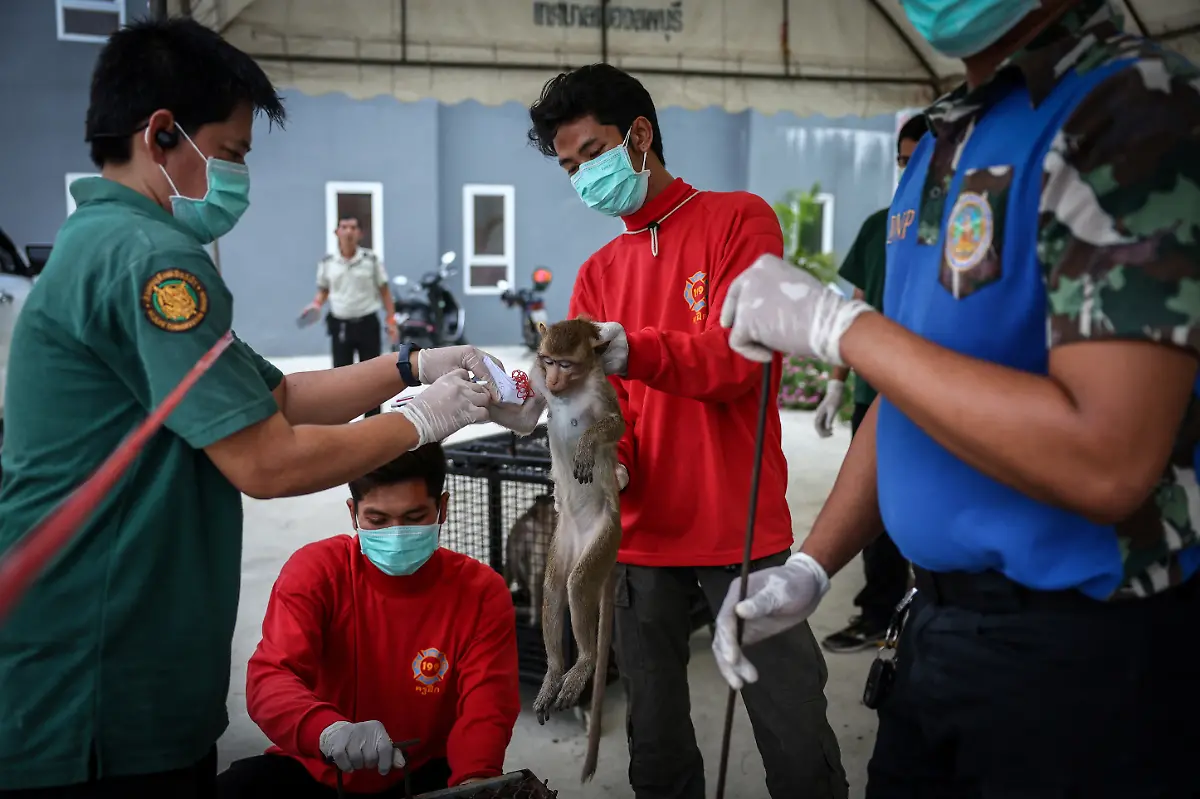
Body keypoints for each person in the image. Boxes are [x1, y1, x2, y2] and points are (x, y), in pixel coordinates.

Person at [0, 18, 504, 797]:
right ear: (162, 133)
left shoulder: (100, 241)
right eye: (231, 152)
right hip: (100, 687)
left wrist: (413, 365)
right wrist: (423, 417)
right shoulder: (153, 261)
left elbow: (283, 393)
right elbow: (267, 459)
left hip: (95, 659)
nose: (238, 176)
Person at [713, 1, 1200, 796]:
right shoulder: (946, 139)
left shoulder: (1131, 105)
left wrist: (842, 327)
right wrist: (811, 564)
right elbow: (908, 394)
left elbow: (1108, 457)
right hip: (937, 633)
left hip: (1082, 653)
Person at [520, 63, 848, 799]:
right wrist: (608, 455)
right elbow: (598, 404)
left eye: (592, 154)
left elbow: (741, 360)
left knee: (794, 730)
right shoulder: (598, 272)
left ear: (640, 135)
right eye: (570, 167)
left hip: (741, 531)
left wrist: (638, 348)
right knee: (657, 738)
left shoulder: (740, 220)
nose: (583, 177)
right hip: (638, 537)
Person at [218, 443, 520, 797]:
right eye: (377, 520)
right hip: (318, 765)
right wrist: (327, 730)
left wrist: (475, 780)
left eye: (414, 517)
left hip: (420, 769)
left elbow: (486, 704)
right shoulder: (316, 572)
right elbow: (272, 677)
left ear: (442, 508)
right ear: (353, 513)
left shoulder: (480, 591)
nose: (396, 534)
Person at [814, 115, 927, 654]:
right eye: (902, 160)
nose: (909, 170)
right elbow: (856, 306)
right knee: (879, 512)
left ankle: (919, 609)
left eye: (918, 158)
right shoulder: (882, 225)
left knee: (922, 506)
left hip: (933, 391)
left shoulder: (956, 225)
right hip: (877, 391)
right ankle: (879, 612)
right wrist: (837, 381)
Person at [302, 215, 398, 417]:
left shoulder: (371, 260)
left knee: (372, 377)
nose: (348, 232)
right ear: (337, 232)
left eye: (353, 228)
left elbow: (384, 291)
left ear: (360, 233)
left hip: (367, 323)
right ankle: (342, 422)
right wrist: (316, 303)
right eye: (344, 227)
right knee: (341, 378)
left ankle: (372, 424)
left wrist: (391, 320)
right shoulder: (328, 263)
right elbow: (324, 289)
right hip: (341, 325)